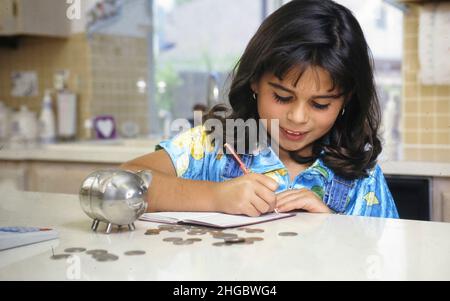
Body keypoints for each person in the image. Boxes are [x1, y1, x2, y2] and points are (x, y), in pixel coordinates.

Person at [121, 0, 399, 218]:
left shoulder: (361, 174)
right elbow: (124, 181)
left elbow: (380, 261)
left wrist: (329, 227)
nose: (297, 117)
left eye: (320, 104)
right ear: (255, 81)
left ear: (346, 99)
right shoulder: (215, 145)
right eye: (281, 97)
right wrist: (215, 196)